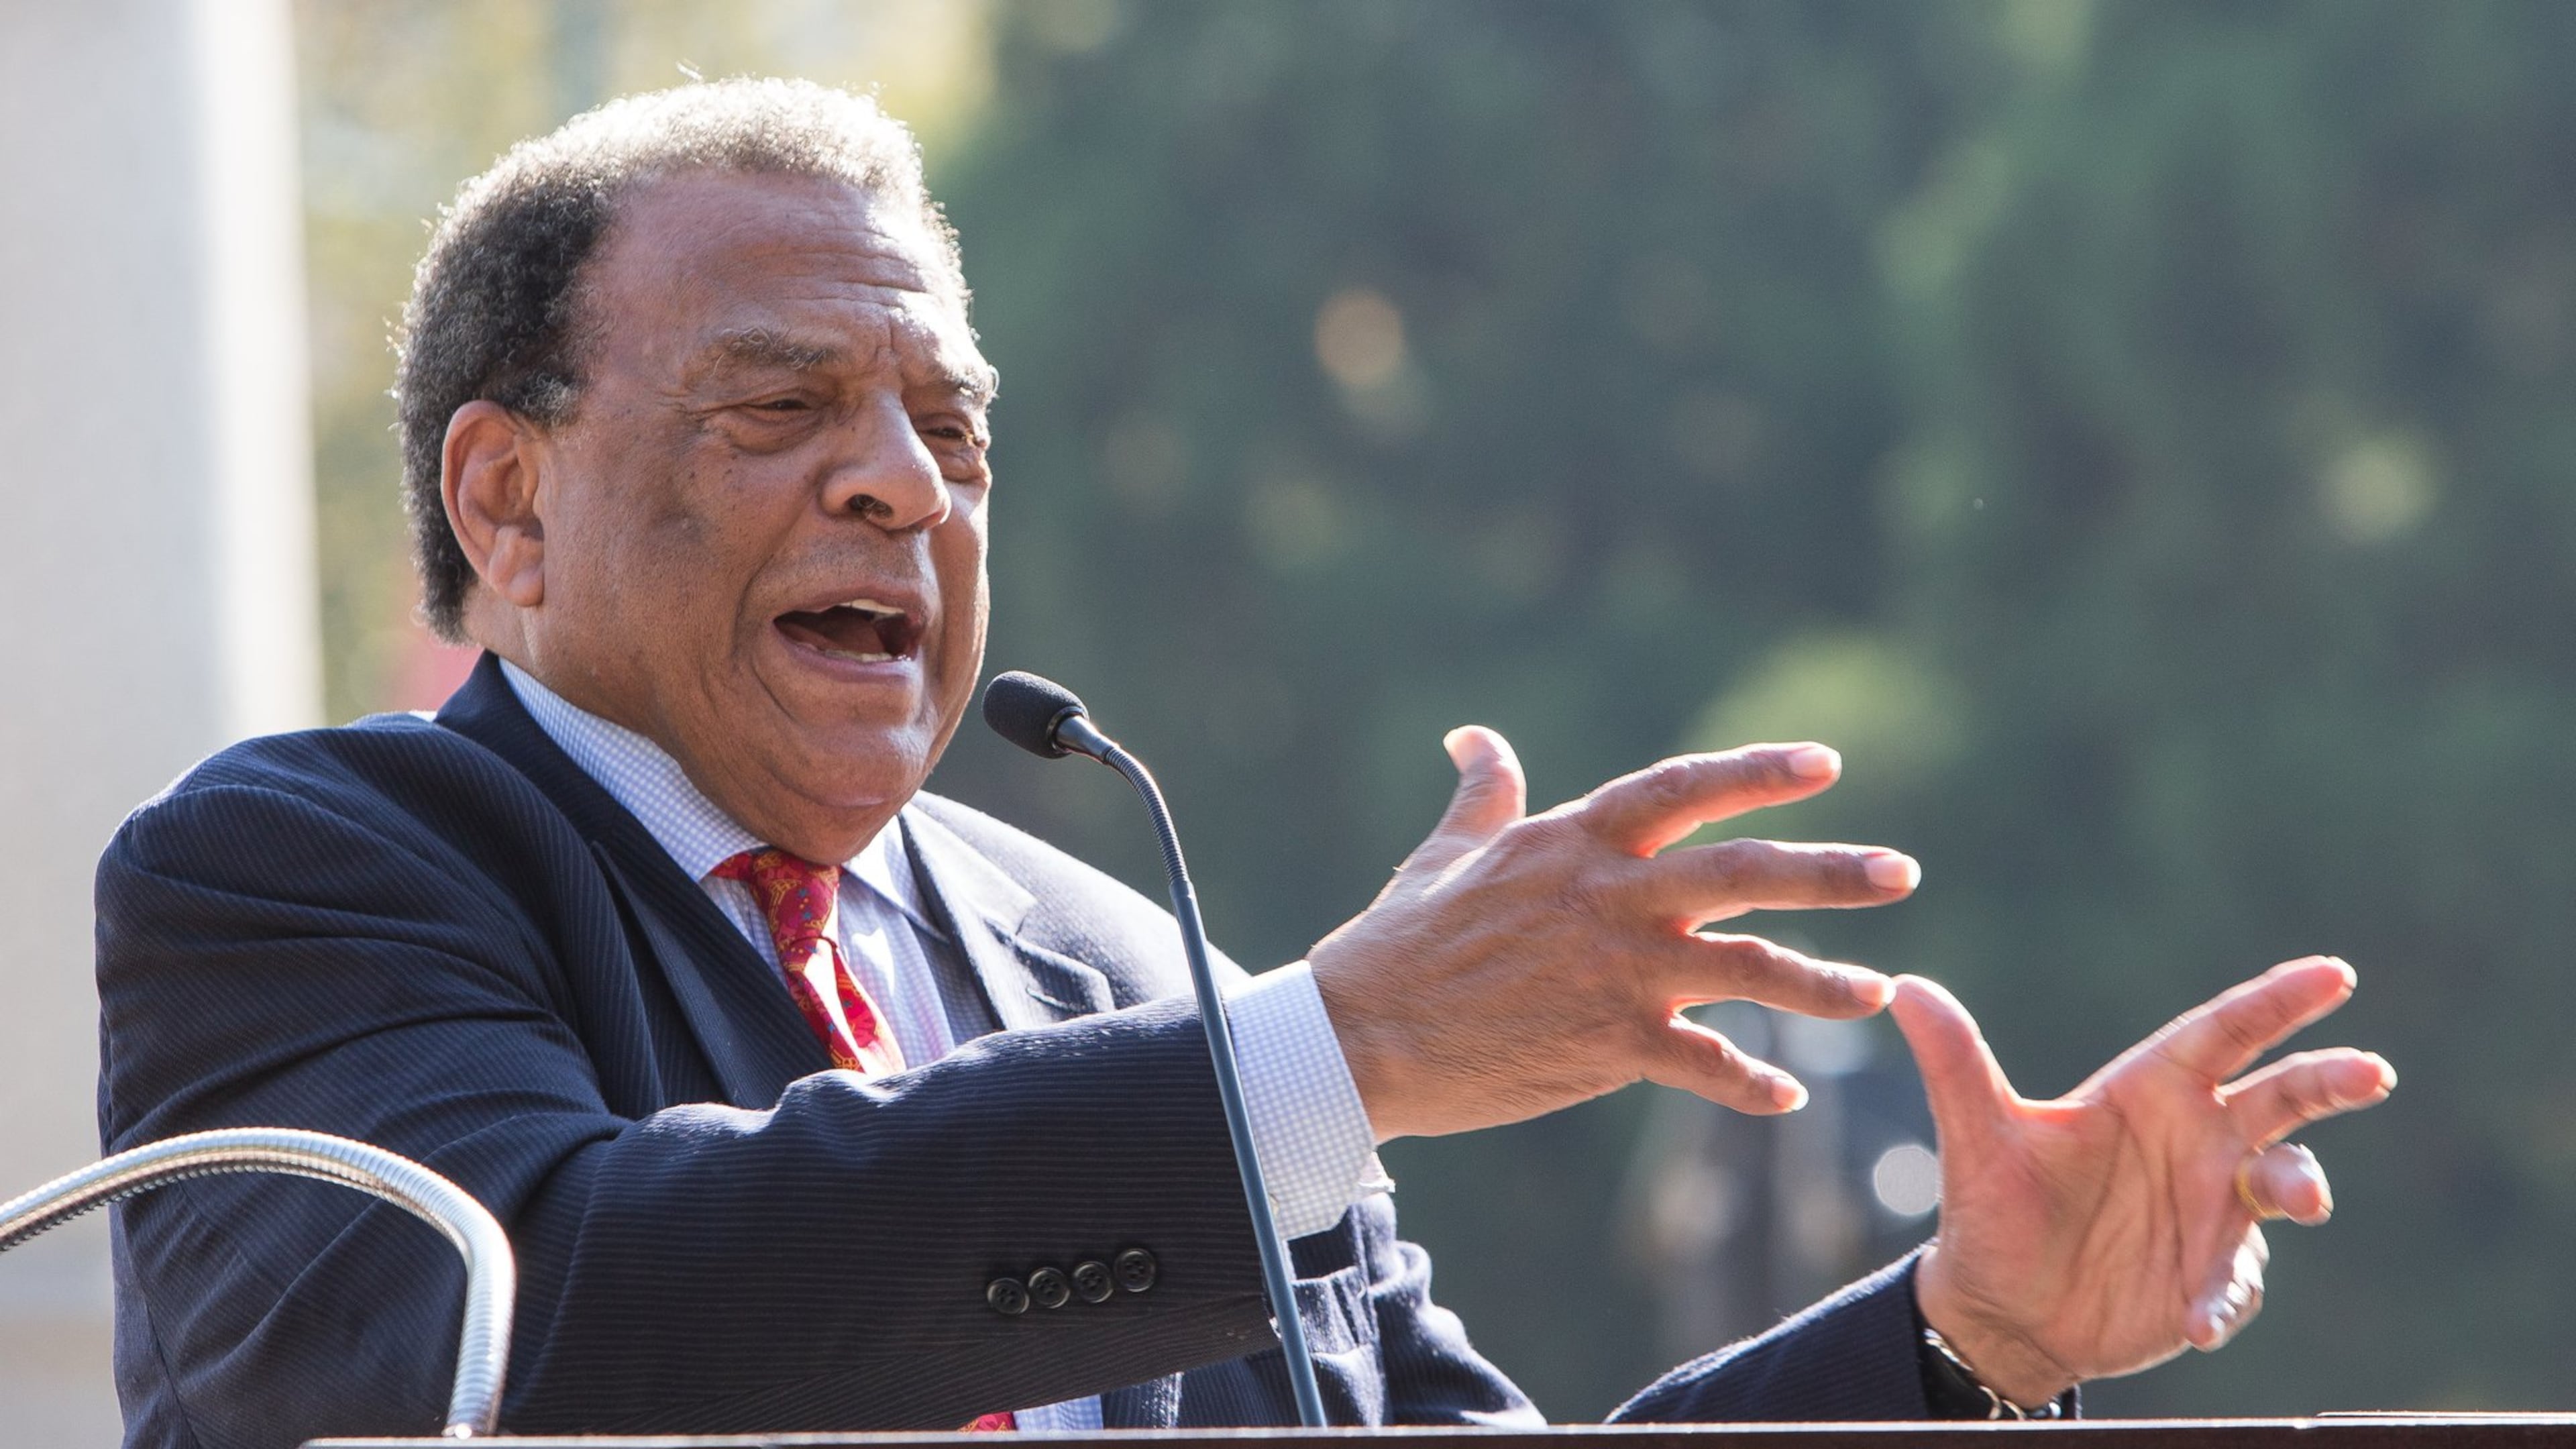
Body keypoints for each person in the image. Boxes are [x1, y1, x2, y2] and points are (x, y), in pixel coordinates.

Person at [93, 80, 2395, 1448]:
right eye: (781, 406)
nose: (901, 487)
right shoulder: (302, 877)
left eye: (952, 430)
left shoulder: (1114, 963)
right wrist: (1335, 1053)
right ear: (506, 502)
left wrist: (1960, 1340)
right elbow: (539, 1331)